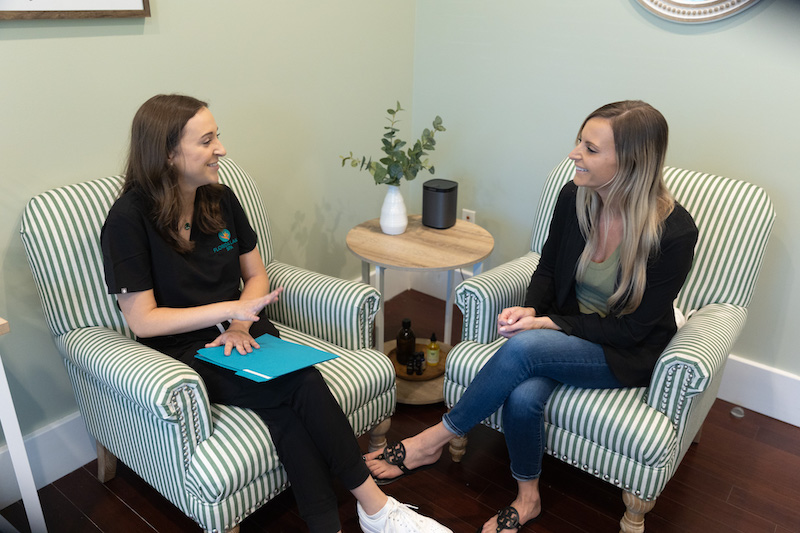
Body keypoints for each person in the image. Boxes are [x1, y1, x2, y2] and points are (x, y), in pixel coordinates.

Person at [101, 94, 451, 533]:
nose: (221, 149)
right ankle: (376, 507)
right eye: (207, 140)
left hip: (243, 329)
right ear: (168, 153)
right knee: (302, 382)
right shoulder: (127, 220)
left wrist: (242, 322)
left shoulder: (220, 199)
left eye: (218, 137)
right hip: (187, 347)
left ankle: (332, 524)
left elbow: (256, 275)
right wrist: (232, 311)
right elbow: (143, 320)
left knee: (287, 410)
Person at [365, 100, 699, 532]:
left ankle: (432, 441)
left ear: (632, 162)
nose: (574, 154)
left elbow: (634, 329)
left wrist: (549, 325)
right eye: (580, 140)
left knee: (524, 347)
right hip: (568, 331)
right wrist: (533, 309)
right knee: (523, 398)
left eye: (591, 149)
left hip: (622, 350)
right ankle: (529, 498)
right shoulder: (575, 196)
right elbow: (546, 266)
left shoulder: (673, 233)